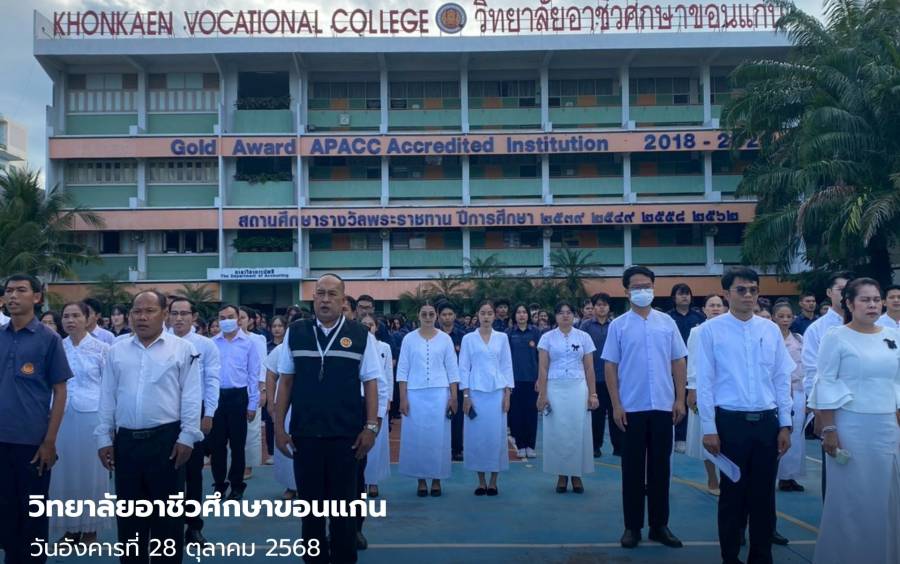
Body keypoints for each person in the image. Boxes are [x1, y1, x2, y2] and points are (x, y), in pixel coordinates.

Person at [273, 273, 381, 564]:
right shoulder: (296, 332)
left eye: (332, 294)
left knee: (344, 511)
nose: (325, 299)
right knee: (311, 511)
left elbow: (371, 382)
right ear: (313, 298)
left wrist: (371, 426)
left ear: (343, 300)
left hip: (347, 436)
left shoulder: (360, 335)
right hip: (305, 435)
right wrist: (278, 428)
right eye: (320, 293)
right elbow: (285, 382)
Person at [693, 267, 794, 564]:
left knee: (764, 497)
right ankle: (730, 557)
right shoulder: (710, 331)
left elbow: (781, 379)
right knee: (732, 496)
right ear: (727, 294)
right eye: (741, 289)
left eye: (753, 289)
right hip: (730, 423)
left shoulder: (770, 330)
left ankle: (761, 557)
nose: (748, 295)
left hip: (766, 423)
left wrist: (785, 424)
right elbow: (705, 383)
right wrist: (709, 428)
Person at [95, 290, 201, 564]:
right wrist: (103, 436)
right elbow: (107, 395)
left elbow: (191, 395)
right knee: (130, 519)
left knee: (167, 521)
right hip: (126, 443)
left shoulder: (183, 349)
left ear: (164, 314)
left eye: (149, 311)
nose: (142, 317)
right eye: (137, 311)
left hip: (166, 442)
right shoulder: (116, 350)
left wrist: (188, 436)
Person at [808, 278, 899, 564]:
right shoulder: (835, 337)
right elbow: (825, 382)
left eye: (876, 299)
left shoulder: (893, 336)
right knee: (851, 499)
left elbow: (896, 382)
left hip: (887, 427)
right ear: (849, 303)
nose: (872, 305)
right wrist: (829, 429)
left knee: (886, 497)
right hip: (851, 427)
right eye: (865, 299)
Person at [604, 266, 687, 549]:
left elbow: (678, 361)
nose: (642, 291)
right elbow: (610, 366)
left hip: (663, 405)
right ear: (627, 292)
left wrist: (680, 398)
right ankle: (632, 527)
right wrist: (616, 405)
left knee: (660, 469)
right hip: (631, 407)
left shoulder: (667, 323)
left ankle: (659, 525)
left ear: (654, 287)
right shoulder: (618, 326)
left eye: (647, 286)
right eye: (636, 287)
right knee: (632, 469)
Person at [0, 274, 73, 564]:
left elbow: (60, 391)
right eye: (9, 291)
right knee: (6, 512)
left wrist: (49, 442)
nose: (13, 296)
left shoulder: (49, 339)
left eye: (21, 290)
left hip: (32, 442)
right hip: (1, 439)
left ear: (37, 297)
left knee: (33, 513)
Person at [50, 302, 110, 544]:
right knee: (64, 471)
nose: (70, 320)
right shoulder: (56, 347)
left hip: (92, 416)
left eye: (76, 315)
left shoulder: (102, 349)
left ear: (88, 319)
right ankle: (71, 527)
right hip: (61, 415)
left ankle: (91, 527)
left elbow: (109, 387)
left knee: (91, 472)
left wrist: (109, 423)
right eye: (66, 316)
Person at [168, 298, 220, 545]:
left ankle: (194, 525)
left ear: (194, 316)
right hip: (166, 413)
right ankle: (170, 525)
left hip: (194, 412)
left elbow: (212, 380)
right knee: (167, 472)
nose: (179, 318)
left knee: (193, 473)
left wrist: (209, 413)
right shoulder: (162, 342)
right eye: (174, 313)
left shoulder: (206, 345)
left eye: (184, 313)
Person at [397, 301, 460, 497]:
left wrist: (454, 397)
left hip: (439, 394)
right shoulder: (408, 339)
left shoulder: (445, 339)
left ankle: (437, 479)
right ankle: (421, 480)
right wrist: (403, 398)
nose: (427, 317)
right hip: (414, 394)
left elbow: (452, 370)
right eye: (424, 314)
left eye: (431, 314)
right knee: (417, 439)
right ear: (418, 316)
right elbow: (402, 370)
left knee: (438, 438)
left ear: (436, 316)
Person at [536, 301, 598, 494]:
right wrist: (543, 394)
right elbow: (543, 368)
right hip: (555, 388)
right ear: (555, 316)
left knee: (577, 430)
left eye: (569, 312)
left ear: (574, 315)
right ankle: (562, 475)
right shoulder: (546, 338)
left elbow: (589, 368)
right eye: (561, 312)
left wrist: (593, 394)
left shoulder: (584, 337)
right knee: (558, 432)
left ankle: (577, 475)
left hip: (578, 388)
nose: (565, 316)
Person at [802, 271, 853, 498]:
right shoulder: (818, 329)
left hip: (868, 409)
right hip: (834, 410)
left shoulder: (873, 327)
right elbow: (812, 373)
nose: (846, 294)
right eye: (841, 290)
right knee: (836, 473)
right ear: (829, 293)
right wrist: (819, 412)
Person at [459, 301, 514, 496]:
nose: (486, 316)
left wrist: (507, 395)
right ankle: (481, 481)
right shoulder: (468, 339)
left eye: (490, 313)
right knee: (477, 438)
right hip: (475, 393)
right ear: (478, 315)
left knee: (495, 437)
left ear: (494, 316)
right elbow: (463, 368)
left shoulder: (502, 338)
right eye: (483, 313)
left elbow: (506, 366)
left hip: (497, 392)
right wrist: (466, 395)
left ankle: (493, 481)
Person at [209, 304, 260, 501]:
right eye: (222, 317)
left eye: (230, 316)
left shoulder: (249, 343)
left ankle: (237, 485)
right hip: (217, 397)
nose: (226, 321)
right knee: (217, 445)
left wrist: (252, 404)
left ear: (239, 319)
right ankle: (219, 484)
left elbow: (253, 374)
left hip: (239, 397)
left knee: (238, 445)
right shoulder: (212, 343)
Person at [685, 294, 727, 495]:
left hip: (726, 390)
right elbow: (692, 361)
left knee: (727, 436)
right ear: (704, 310)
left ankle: (728, 477)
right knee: (707, 432)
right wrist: (692, 388)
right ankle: (712, 477)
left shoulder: (730, 330)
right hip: (704, 389)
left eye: (719, 305)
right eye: (712, 305)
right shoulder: (697, 331)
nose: (716, 308)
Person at [580, 292, 622, 457]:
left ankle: (619, 446)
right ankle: (595, 446)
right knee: (596, 414)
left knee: (615, 411)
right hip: (594, 377)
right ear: (593, 307)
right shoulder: (585, 326)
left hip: (615, 377)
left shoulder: (616, 325)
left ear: (609, 307)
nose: (601, 308)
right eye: (598, 305)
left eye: (604, 305)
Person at [772, 301, 806, 492]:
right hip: (778, 391)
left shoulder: (799, 338)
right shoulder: (770, 338)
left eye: (788, 316)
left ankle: (789, 476)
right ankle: (775, 473)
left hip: (798, 389)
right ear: (774, 317)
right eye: (781, 316)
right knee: (779, 432)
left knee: (796, 433)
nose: (785, 320)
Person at [361, 314, 393, 498]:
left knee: (377, 443)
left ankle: (373, 481)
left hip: (379, 400)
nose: (367, 327)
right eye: (364, 324)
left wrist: (388, 399)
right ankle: (360, 481)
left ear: (376, 327)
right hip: (360, 398)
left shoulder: (384, 347)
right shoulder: (356, 344)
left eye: (370, 324)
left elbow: (388, 374)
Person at [507, 304, 542, 458]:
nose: (521, 315)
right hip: (514, 380)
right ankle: (520, 445)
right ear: (514, 315)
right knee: (516, 414)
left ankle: (530, 445)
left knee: (531, 414)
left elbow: (541, 357)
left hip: (532, 380)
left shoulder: (536, 332)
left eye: (524, 312)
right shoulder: (508, 333)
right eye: (518, 312)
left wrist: (540, 378)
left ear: (528, 315)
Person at [264, 340, 295, 500]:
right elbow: (271, 374)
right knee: (287, 443)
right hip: (285, 403)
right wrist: (271, 401)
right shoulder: (282, 349)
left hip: (315, 405)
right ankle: (291, 486)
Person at [238, 306, 267, 479]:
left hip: (252, 390)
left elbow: (262, 365)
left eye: (242, 317)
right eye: (236, 317)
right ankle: (233, 464)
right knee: (231, 429)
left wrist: (262, 390)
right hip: (231, 391)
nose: (238, 321)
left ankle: (248, 465)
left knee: (251, 429)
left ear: (250, 321)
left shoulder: (257, 339)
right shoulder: (224, 340)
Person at [435, 301, 466, 462]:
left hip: (457, 382)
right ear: (438, 317)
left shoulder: (463, 336)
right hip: (438, 382)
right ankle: (441, 448)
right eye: (444, 315)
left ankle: (457, 449)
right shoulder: (434, 335)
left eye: (450, 314)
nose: (447, 317)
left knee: (457, 416)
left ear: (455, 316)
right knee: (440, 417)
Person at [263, 316, 287, 466]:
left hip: (288, 392)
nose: (277, 329)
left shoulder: (289, 345)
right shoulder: (268, 347)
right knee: (271, 421)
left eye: (280, 326)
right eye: (274, 326)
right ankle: (271, 451)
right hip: (273, 390)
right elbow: (269, 373)